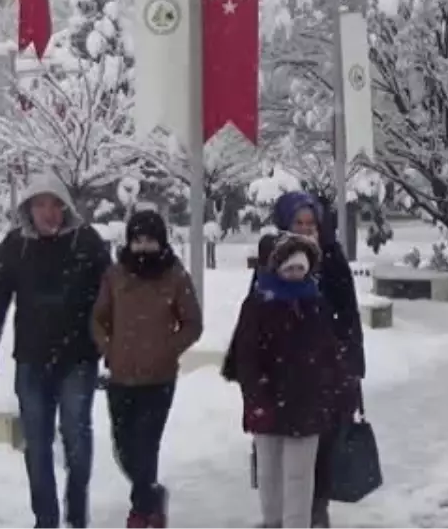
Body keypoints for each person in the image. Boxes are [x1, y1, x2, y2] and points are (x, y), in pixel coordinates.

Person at [0, 172, 111, 529]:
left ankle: (77, 513)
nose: (48, 213)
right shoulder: (15, 245)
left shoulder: (88, 242)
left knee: (77, 437)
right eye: (40, 205)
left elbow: (112, 297)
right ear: (28, 210)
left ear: (65, 208)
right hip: (32, 361)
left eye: (54, 205)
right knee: (37, 444)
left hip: (78, 359)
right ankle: (46, 519)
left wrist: (114, 347)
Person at [227, 190, 364, 528]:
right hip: (275, 380)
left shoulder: (331, 261)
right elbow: (251, 324)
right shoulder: (271, 264)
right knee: (274, 461)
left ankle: (313, 516)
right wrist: (253, 379)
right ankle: (278, 518)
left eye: (311, 224)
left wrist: (349, 371)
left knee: (318, 455)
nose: (306, 230)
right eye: (298, 224)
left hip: (321, 376)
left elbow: (348, 318)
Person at [92, 209, 203, 529]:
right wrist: (109, 347)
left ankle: (141, 512)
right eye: (137, 240)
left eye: (150, 241)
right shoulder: (115, 275)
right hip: (121, 376)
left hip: (159, 378)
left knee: (146, 443)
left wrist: (168, 349)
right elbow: (98, 318)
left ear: (161, 242)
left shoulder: (175, 276)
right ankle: (152, 497)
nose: (143, 248)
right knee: (124, 447)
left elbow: (193, 323)